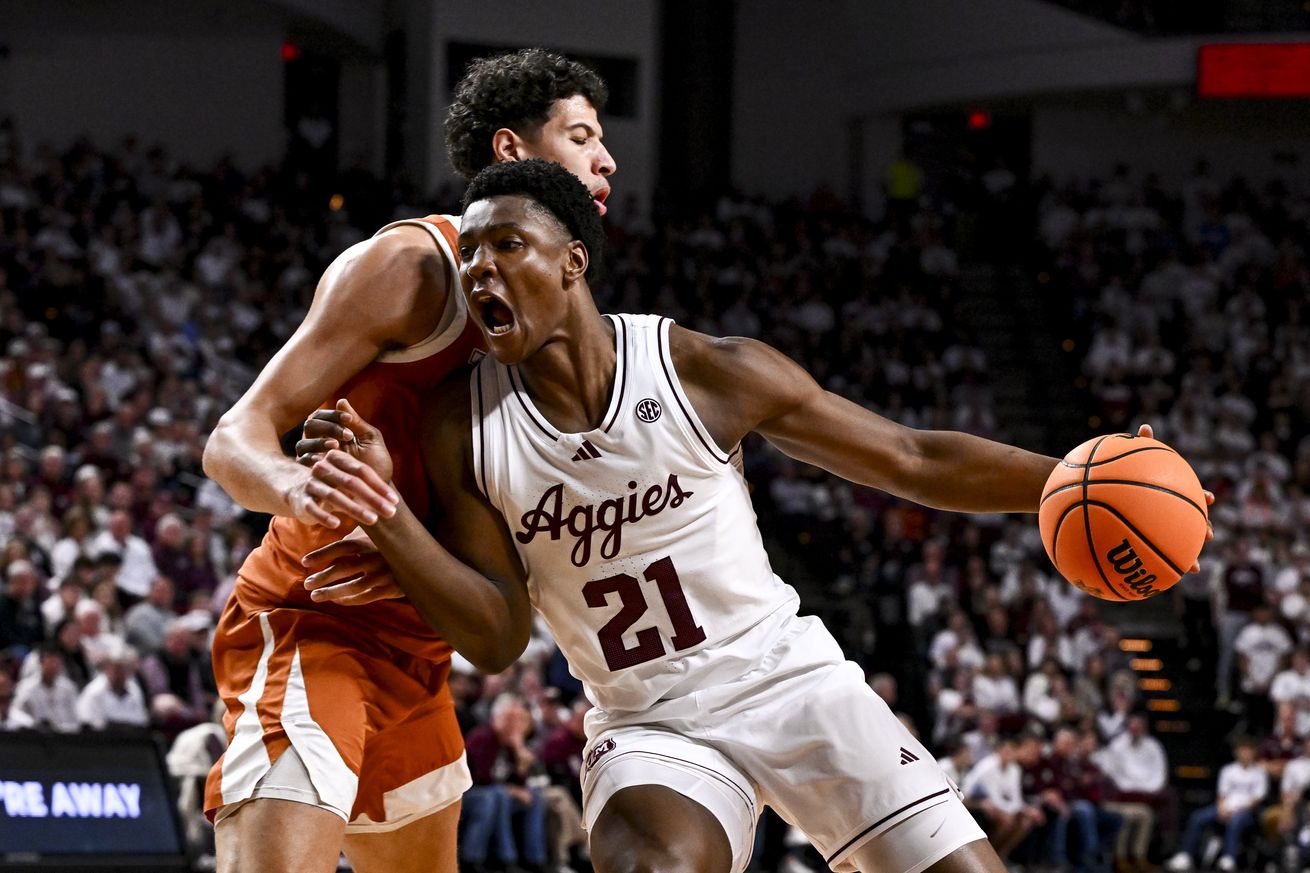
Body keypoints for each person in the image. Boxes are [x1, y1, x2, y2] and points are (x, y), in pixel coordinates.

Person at [296, 161, 1211, 873]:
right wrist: (385, 512)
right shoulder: (464, 422)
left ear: (573, 260)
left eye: (506, 247)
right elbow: (497, 635)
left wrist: (1077, 480)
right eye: (470, 256)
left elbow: (909, 456)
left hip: (791, 680)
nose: (480, 268)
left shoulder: (701, 371)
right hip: (650, 720)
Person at [200, 49, 615, 873]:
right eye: (580, 136)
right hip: (315, 623)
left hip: (421, 657)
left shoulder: (556, 320)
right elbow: (234, 439)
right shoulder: (414, 269)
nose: (606, 158)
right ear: (512, 151)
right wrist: (302, 485)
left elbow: (499, 625)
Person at [1166, 737, 1267, 872]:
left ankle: (1229, 858)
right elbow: (1221, 794)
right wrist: (1221, 809)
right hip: (1225, 807)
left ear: (1254, 752)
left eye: (1248, 750)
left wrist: (1235, 811)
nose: (1245, 754)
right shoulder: (1228, 770)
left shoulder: (1259, 773)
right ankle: (1185, 854)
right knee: (1198, 817)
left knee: (1236, 820)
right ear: (1236, 752)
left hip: (1246, 811)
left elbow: (1257, 799)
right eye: (1242, 750)